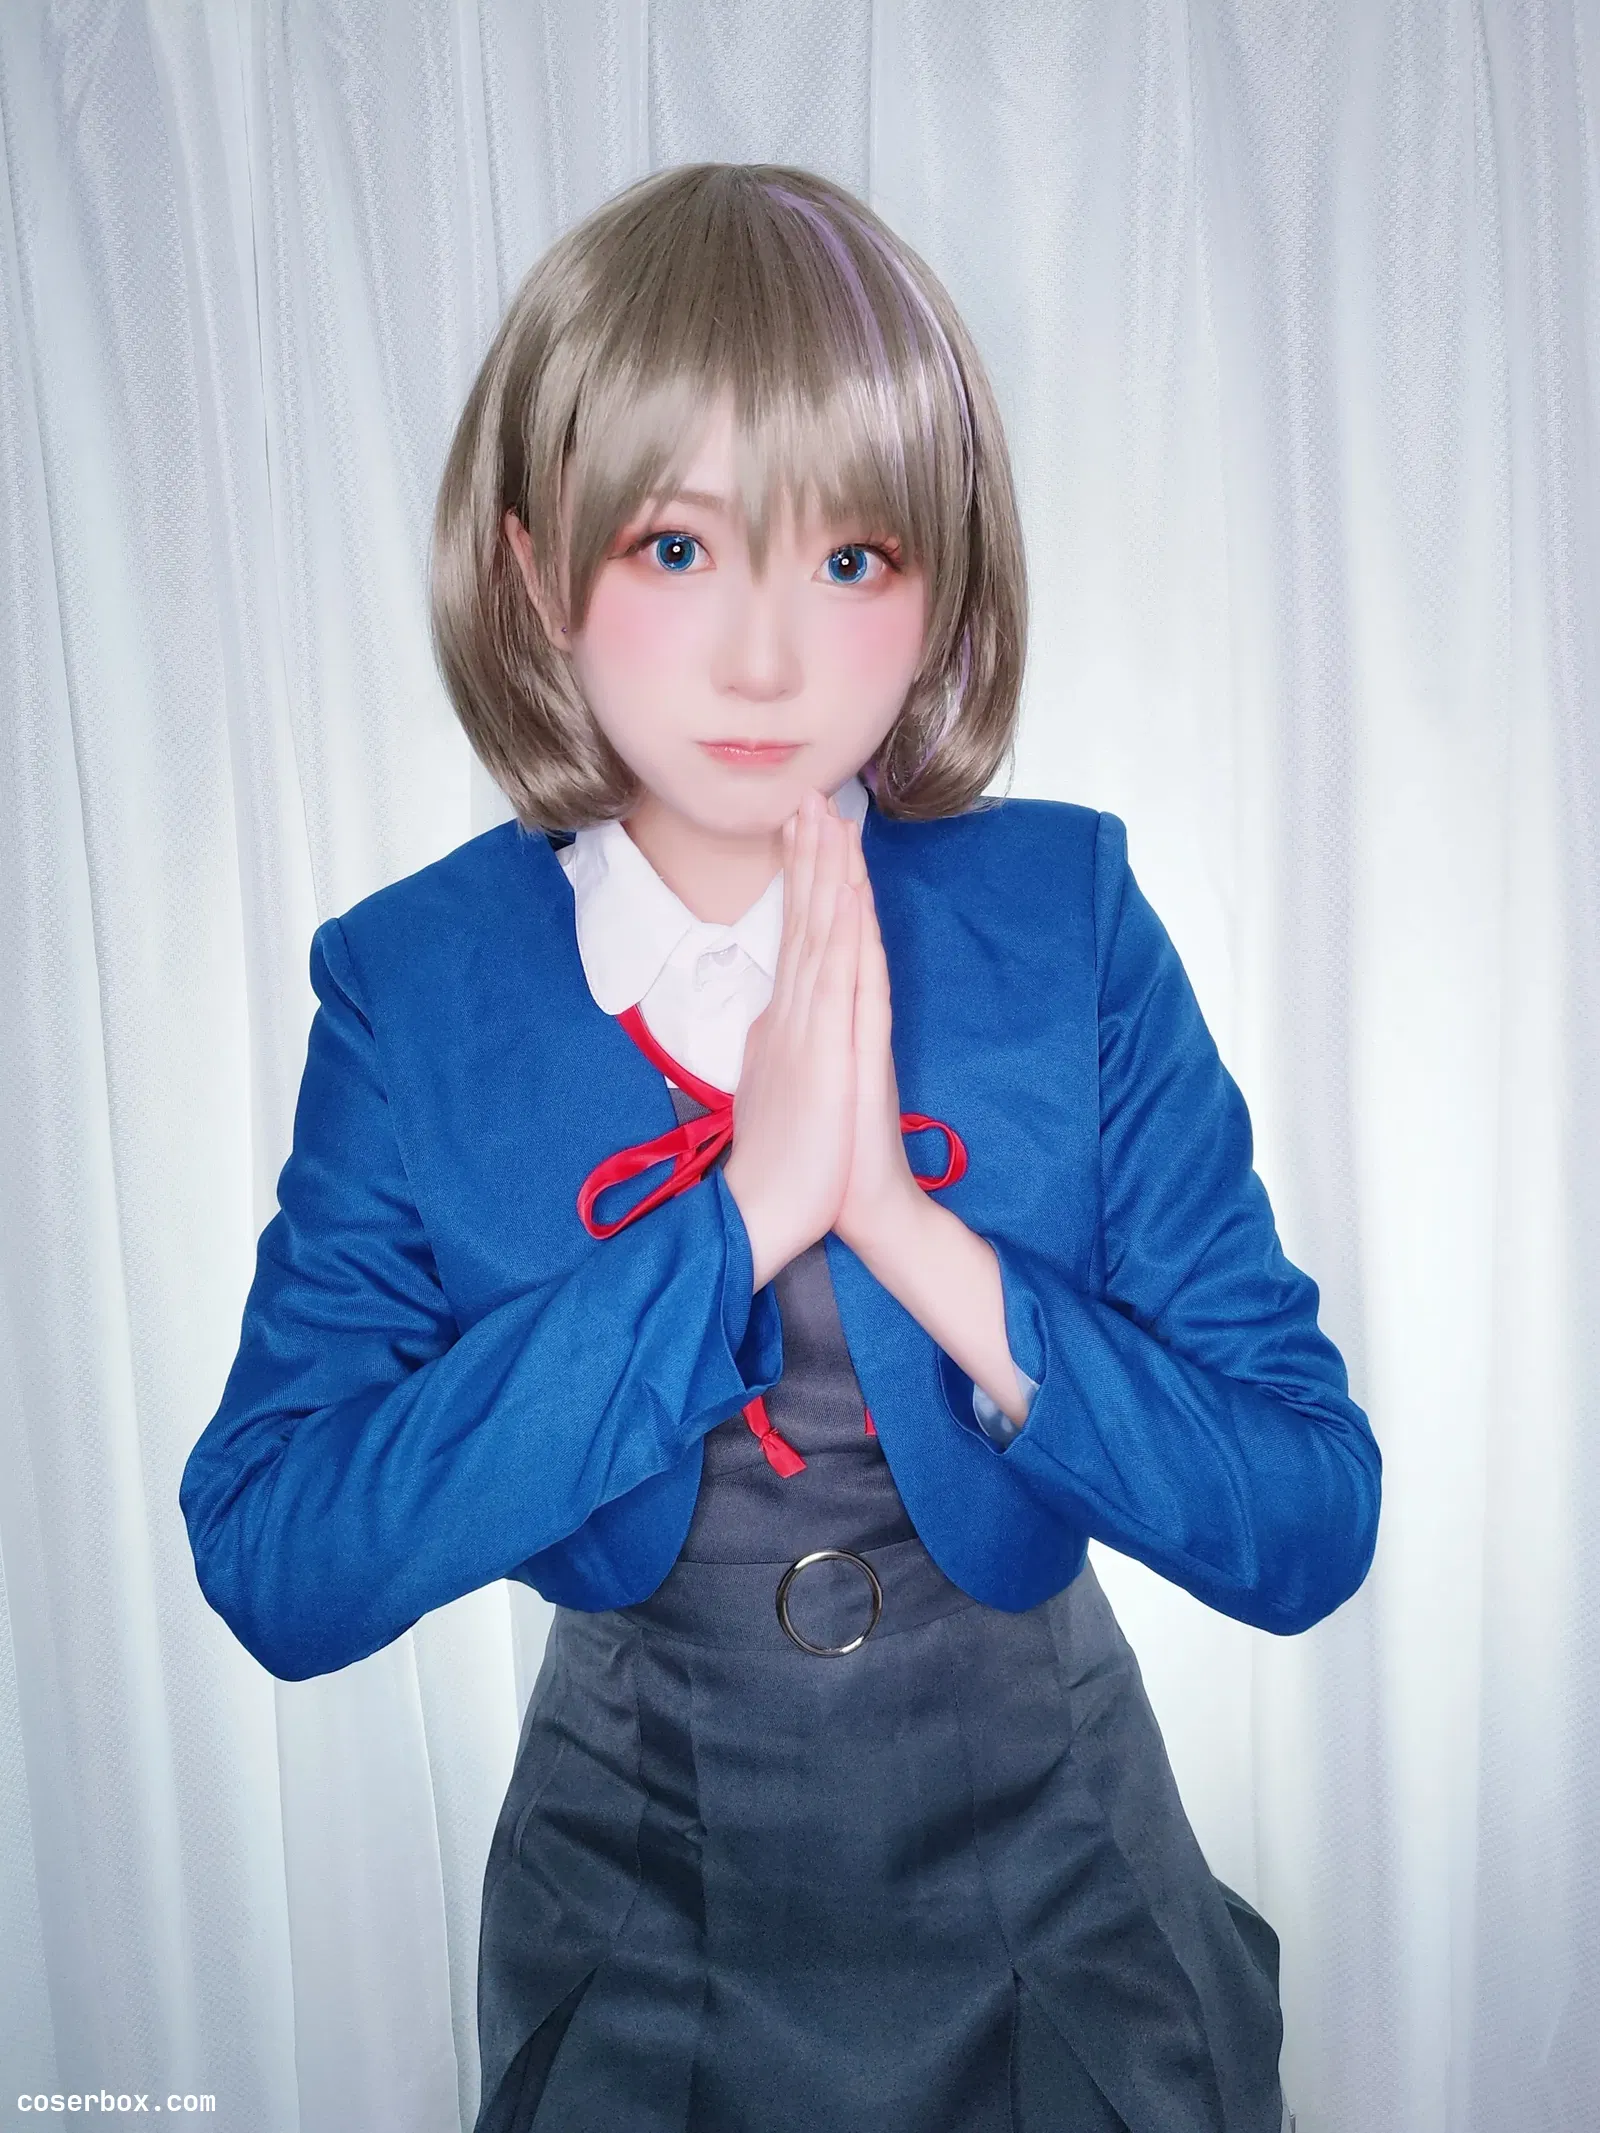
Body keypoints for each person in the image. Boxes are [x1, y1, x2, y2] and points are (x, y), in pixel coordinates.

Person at [180, 162, 1378, 2133]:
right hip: (639, 1953)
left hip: (1066, 1931)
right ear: (529, 570)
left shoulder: (1064, 921)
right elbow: (278, 1556)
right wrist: (739, 1219)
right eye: (675, 546)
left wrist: (898, 1224)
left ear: (941, 583)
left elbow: (1304, 1518)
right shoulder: (417, 991)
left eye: (848, 557)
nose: (763, 660)